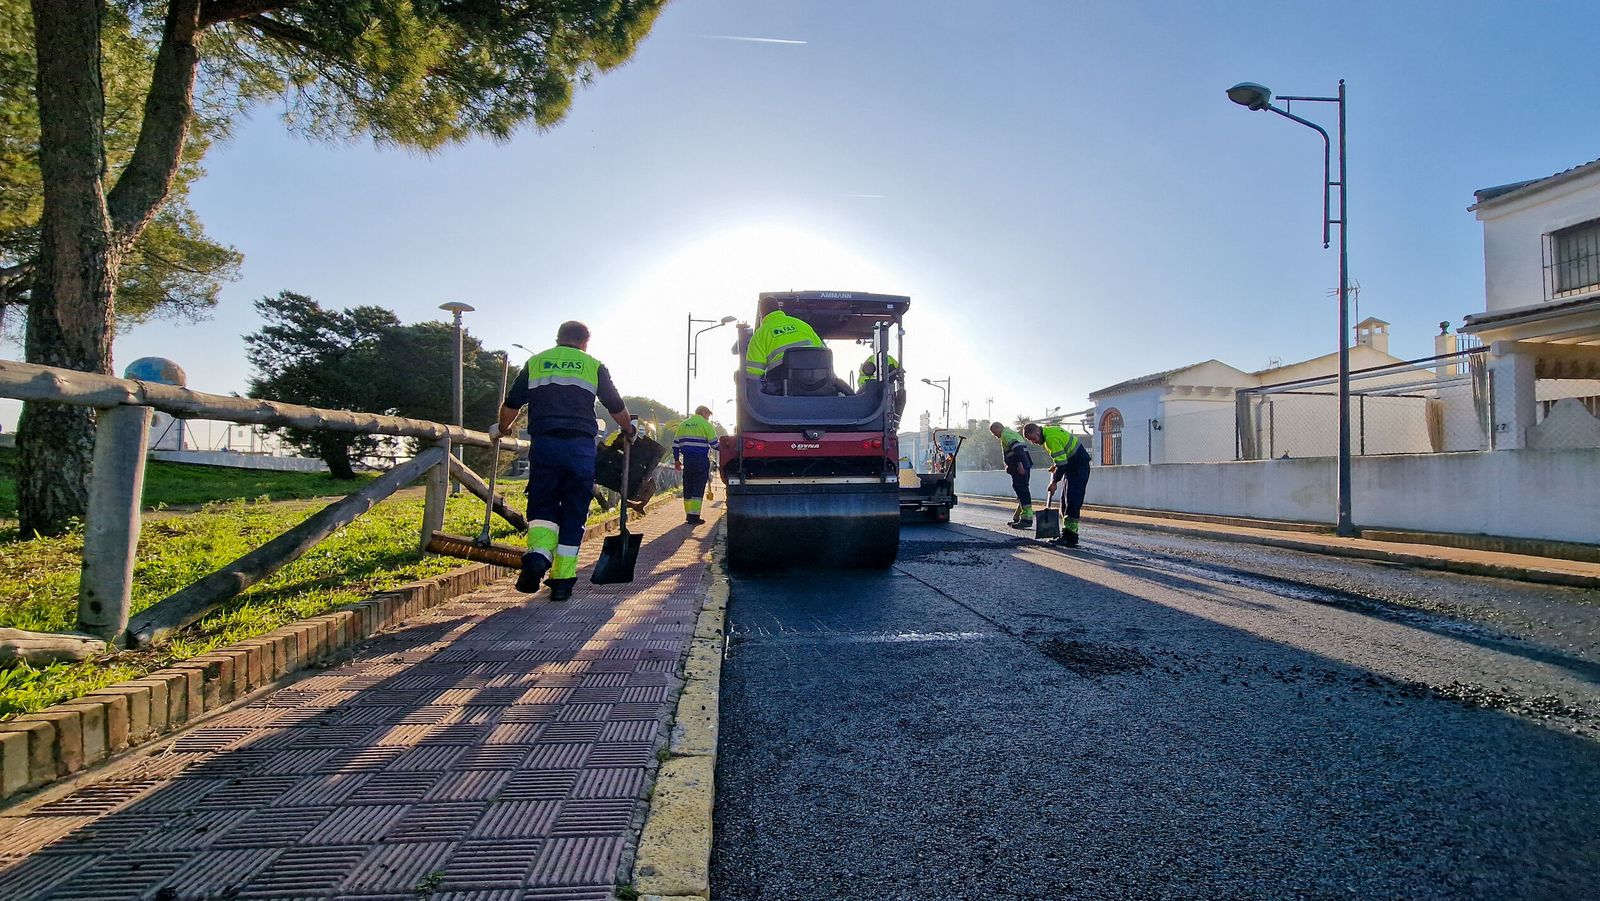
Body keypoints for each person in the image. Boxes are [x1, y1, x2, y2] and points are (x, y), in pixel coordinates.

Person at [493, 320, 632, 600]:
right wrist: (629, 430)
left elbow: (511, 405)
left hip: (545, 446)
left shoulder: (537, 362)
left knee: (543, 504)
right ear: (585, 342)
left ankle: (538, 558)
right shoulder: (593, 365)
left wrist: (503, 428)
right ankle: (563, 582)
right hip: (580, 449)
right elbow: (615, 405)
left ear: (557, 339)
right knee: (574, 510)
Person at [1024, 421, 1091, 547]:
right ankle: (1067, 533)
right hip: (1073, 466)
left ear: (1038, 431)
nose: (1033, 442)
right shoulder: (1050, 431)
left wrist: (1054, 482)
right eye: (1030, 440)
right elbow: (1062, 457)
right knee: (1065, 501)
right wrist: (1056, 465)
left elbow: (1062, 463)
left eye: (1033, 438)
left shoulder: (1050, 439)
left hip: (1078, 467)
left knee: (1072, 501)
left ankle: (1070, 537)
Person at [673, 405, 719, 525]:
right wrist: (729, 449)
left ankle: (688, 515)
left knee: (688, 487)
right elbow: (714, 444)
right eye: (708, 415)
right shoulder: (706, 425)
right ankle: (694, 517)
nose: (708, 418)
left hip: (687, 461)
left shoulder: (683, 425)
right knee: (698, 488)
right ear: (703, 412)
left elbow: (676, 445)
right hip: (700, 460)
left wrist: (677, 460)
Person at [991, 421, 1034, 528]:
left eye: (994, 432)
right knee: (1021, 489)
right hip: (1022, 465)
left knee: (1022, 489)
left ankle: (1027, 518)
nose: (994, 435)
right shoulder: (1011, 433)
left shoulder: (1006, 434)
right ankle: (1019, 516)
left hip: (1020, 466)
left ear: (998, 428)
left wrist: (1019, 464)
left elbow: (1017, 448)